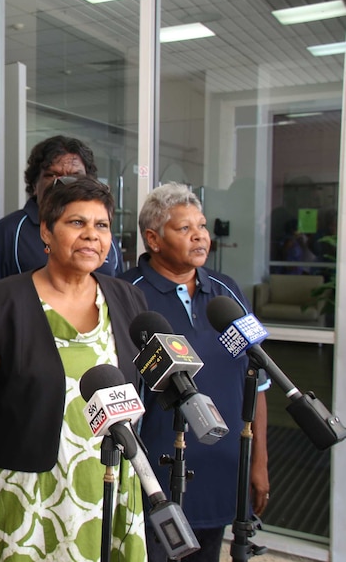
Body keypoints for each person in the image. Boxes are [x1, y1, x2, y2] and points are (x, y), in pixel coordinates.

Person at [0, 178, 148, 562]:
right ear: (46, 232)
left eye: (101, 225)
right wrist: (10, 438)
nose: (91, 235)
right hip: (24, 485)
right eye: (76, 223)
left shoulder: (126, 297)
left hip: (108, 481)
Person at [119, 182, 270, 562]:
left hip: (222, 470)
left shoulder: (226, 291)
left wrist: (259, 461)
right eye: (185, 228)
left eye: (201, 226)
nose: (200, 236)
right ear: (153, 238)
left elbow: (258, 381)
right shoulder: (127, 293)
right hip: (153, 475)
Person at [0, 135, 123, 282]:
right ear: (34, 184)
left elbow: (118, 293)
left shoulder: (102, 235)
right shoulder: (8, 232)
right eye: (53, 175)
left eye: (76, 175)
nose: (65, 183)